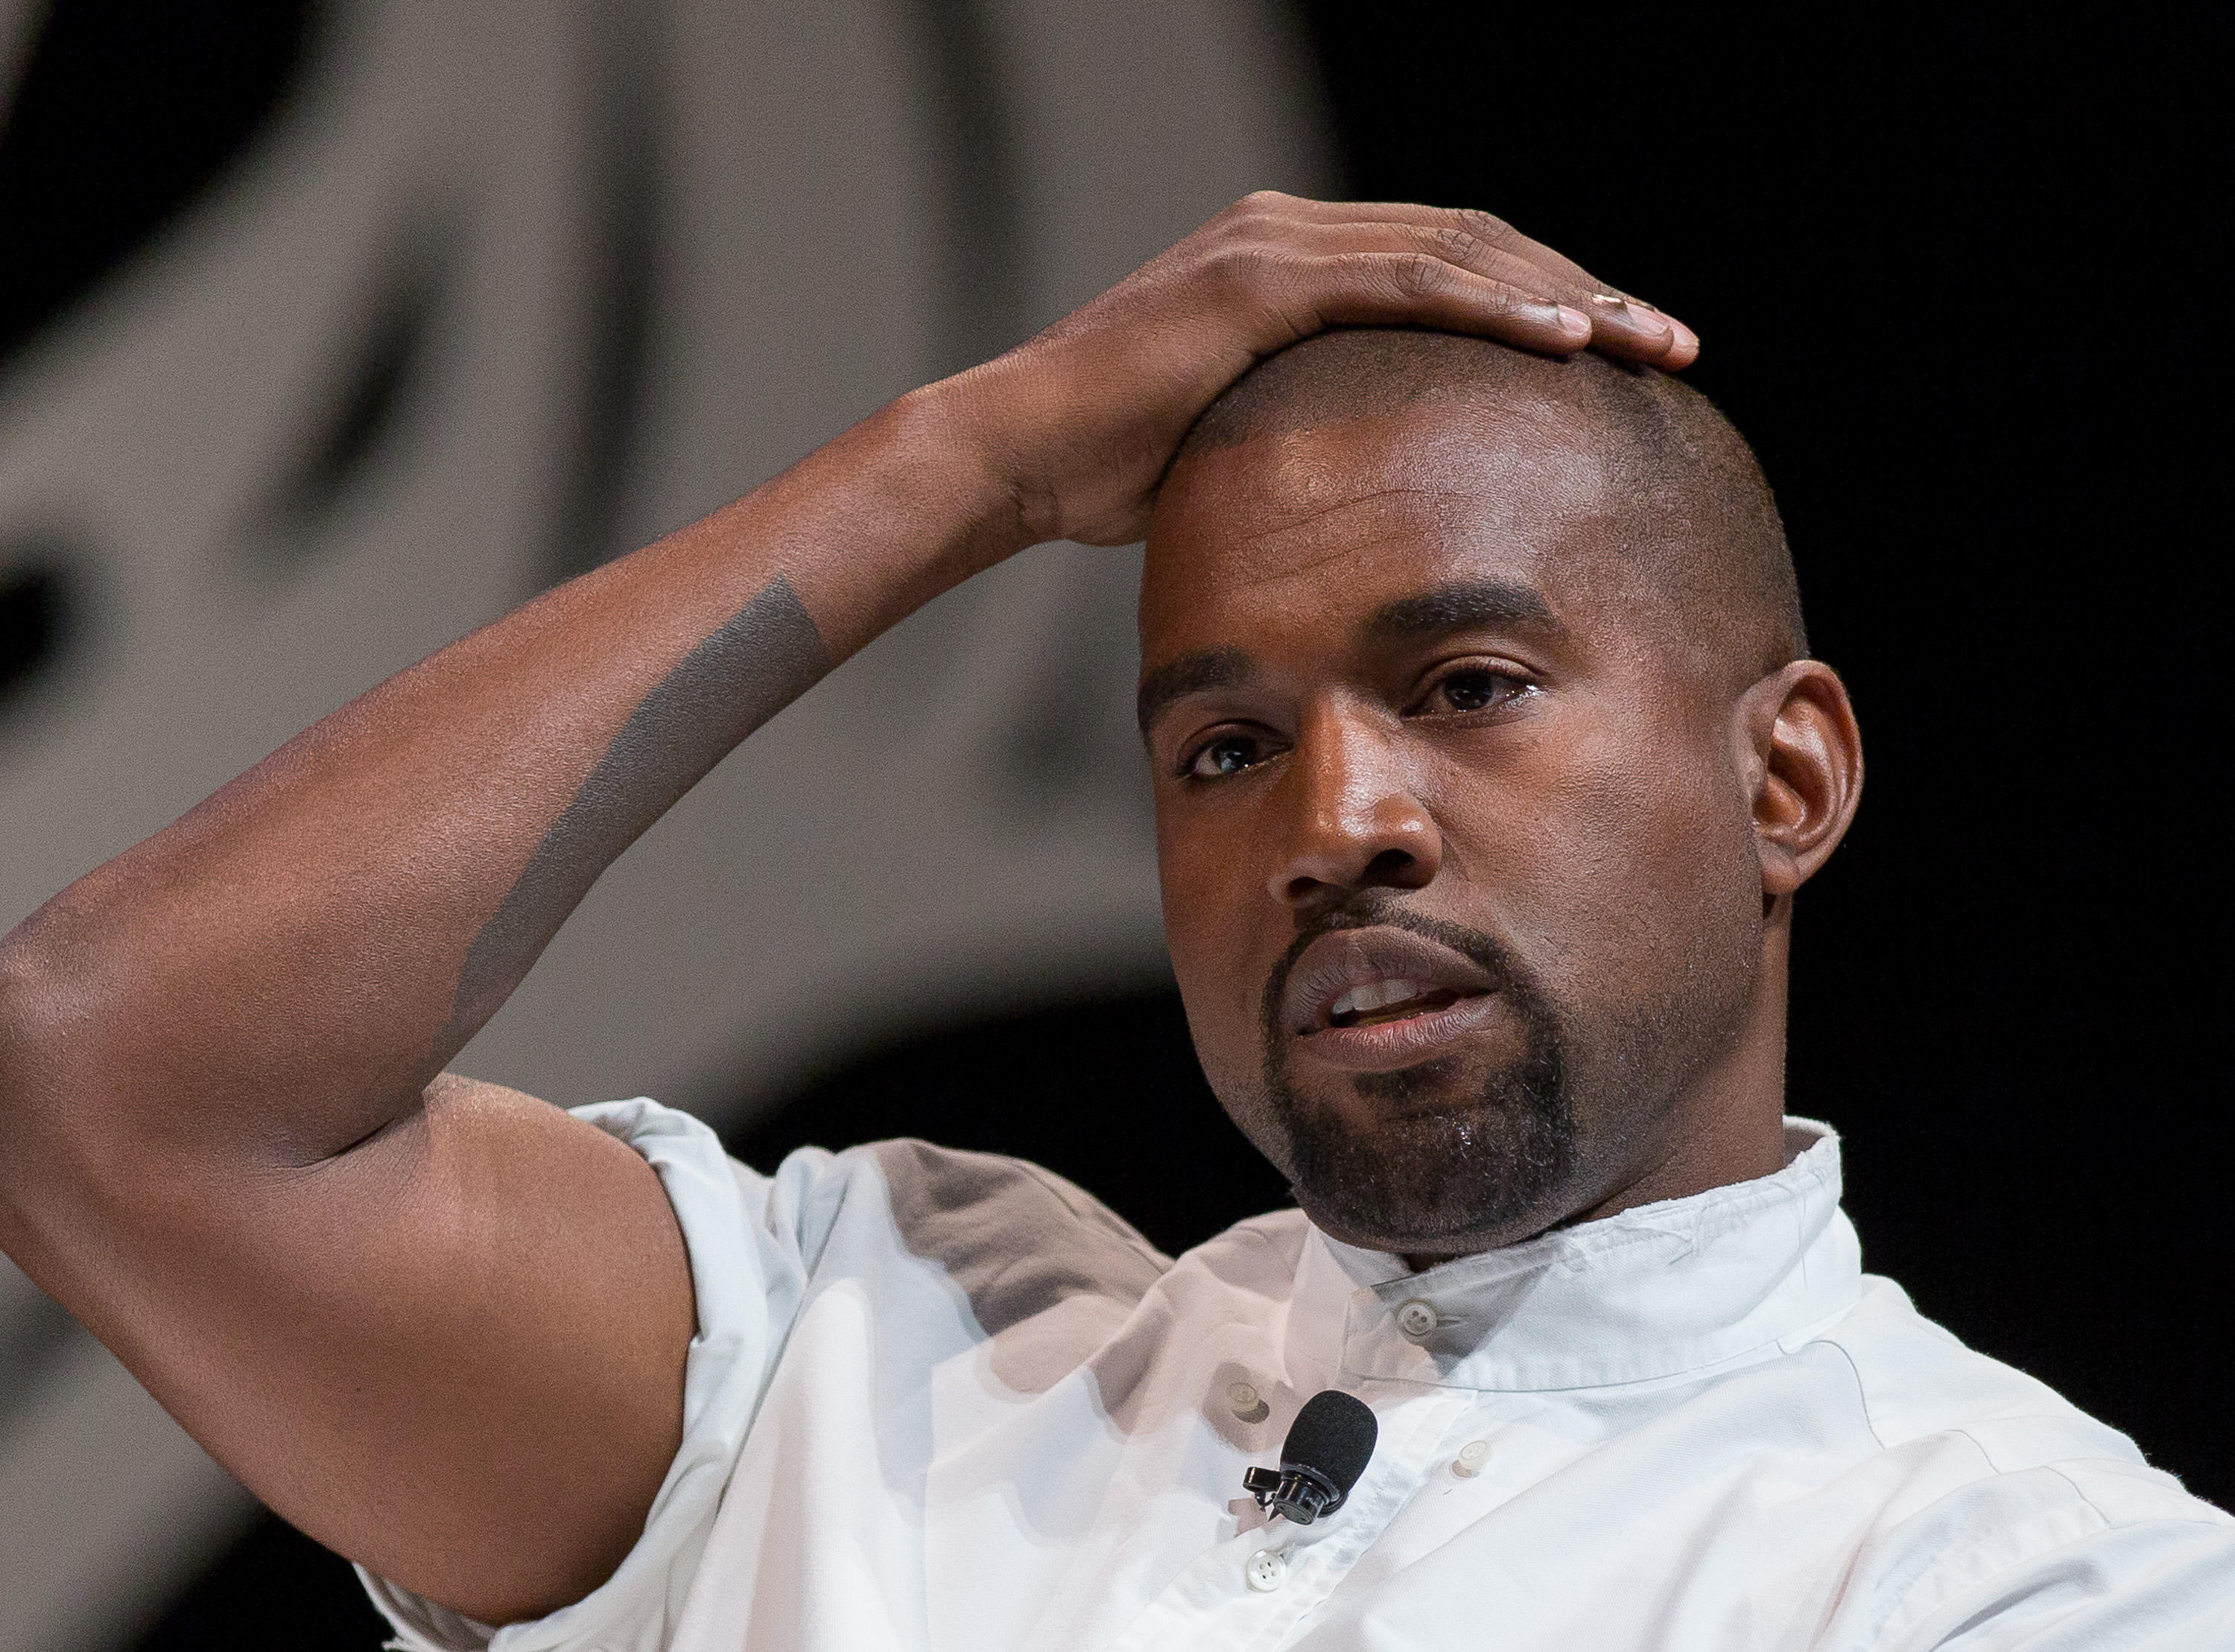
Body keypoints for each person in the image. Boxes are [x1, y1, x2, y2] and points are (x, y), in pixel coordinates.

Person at [0, 195, 2225, 1651]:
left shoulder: (2018, 1577)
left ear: (1787, 780)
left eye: (1467, 688)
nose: (1337, 823)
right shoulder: (858, 1363)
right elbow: (107, 1077)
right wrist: (968, 461)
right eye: (1224, 747)